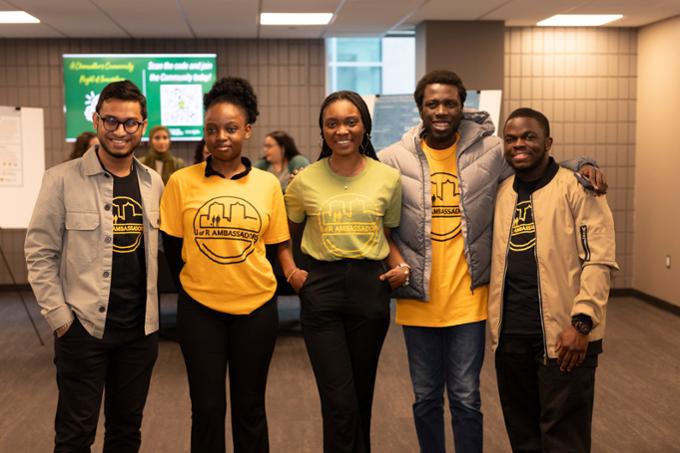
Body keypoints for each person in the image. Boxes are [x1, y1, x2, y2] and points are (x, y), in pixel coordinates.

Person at [378, 70, 607, 453]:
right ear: (420, 108)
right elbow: (375, 213)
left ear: (462, 106)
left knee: (468, 398)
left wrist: (581, 164)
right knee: (426, 398)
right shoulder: (391, 159)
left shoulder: (489, 151)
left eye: (450, 103)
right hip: (419, 301)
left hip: (472, 301)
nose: (441, 110)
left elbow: (535, 161)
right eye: (432, 103)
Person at [25, 80, 163, 452]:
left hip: (139, 331)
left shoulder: (154, 183)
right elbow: (39, 254)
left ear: (143, 125)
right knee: (74, 434)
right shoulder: (61, 179)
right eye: (111, 121)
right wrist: (60, 319)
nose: (120, 131)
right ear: (96, 119)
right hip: (83, 328)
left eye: (130, 123)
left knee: (125, 431)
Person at [160, 77, 292, 453]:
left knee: (250, 409)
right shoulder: (181, 182)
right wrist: (196, 287)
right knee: (207, 408)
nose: (221, 137)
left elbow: (274, 246)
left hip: (257, 310)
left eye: (231, 128)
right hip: (200, 312)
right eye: (212, 129)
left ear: (247, 130)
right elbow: (172, 250)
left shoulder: (267, 185)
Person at [283, 90, 408, 453]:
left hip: (370, 291)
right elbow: (283, 237)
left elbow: (385, 238)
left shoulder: (388, 179)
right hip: (321, 289)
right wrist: (292, 272)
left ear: (364, 126)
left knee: (361, 395)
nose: (342, 130)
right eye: (332, 123)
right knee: (338, 401)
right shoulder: (304, 181)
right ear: (322, 131)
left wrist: (399, 266)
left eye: (350, 121)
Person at [489, 108, 618, 452]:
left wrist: (582, 322)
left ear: (548, 142)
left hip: (565, 337)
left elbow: (599, 260)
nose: (519, 144)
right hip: (511, 337)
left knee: (564, 439)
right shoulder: (502, 193)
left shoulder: (579, 188)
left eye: (529, 137)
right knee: (524, 436)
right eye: (512, 138)